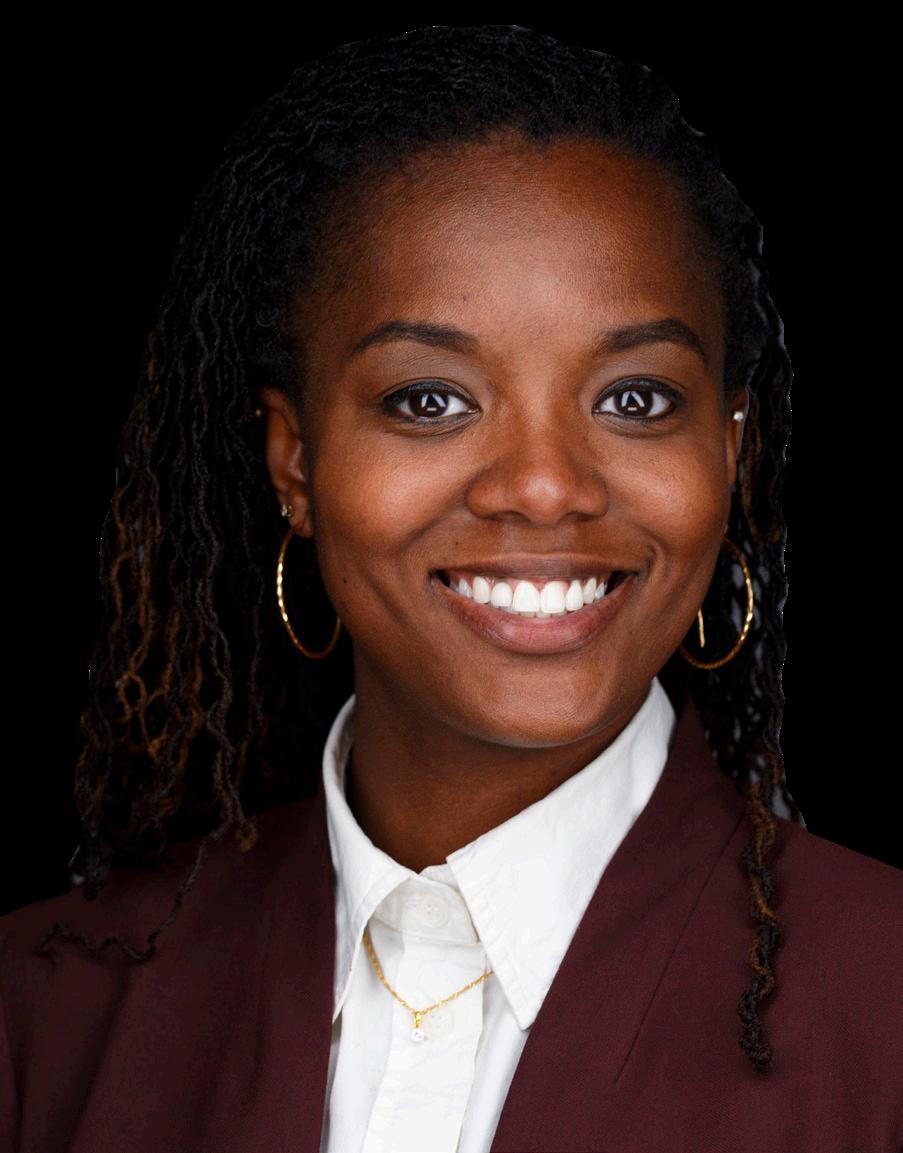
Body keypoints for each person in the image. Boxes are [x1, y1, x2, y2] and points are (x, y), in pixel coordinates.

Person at [1, 24, 900, 1153]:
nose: (545, 486)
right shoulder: (47, 1012)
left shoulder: (886, 1003)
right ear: (295, 461)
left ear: (729, 452)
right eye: (431, 399)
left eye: (634, 399)